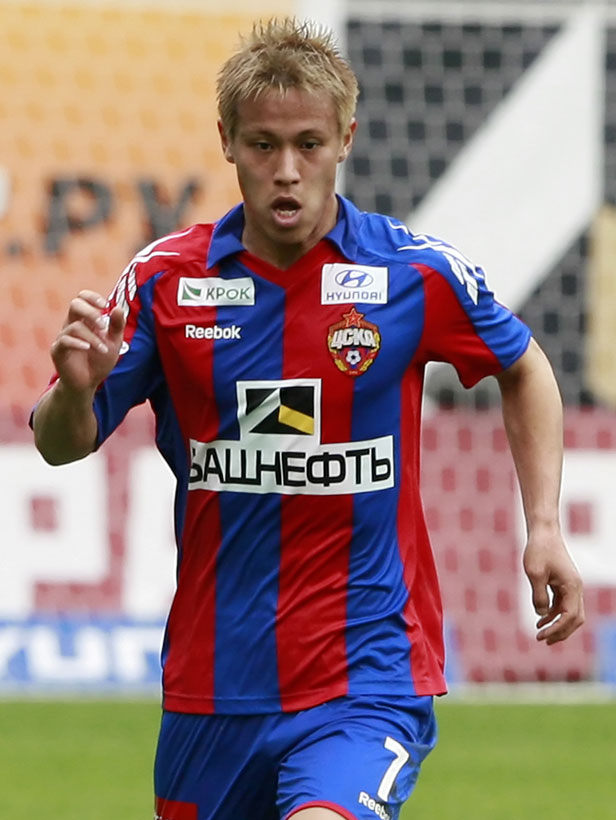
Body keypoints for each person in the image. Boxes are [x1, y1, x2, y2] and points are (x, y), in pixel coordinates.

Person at [31, 16, 584, 820]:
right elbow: (59, 445)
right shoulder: (163, 283)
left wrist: (544, 526)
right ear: (226, 141)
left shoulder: (411, 274)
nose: (286, 171)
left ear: (345, 140)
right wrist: (77, 392)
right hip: (214, 685)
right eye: (263, 145)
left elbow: (524, 366)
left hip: (367, 675)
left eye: (309, 144)